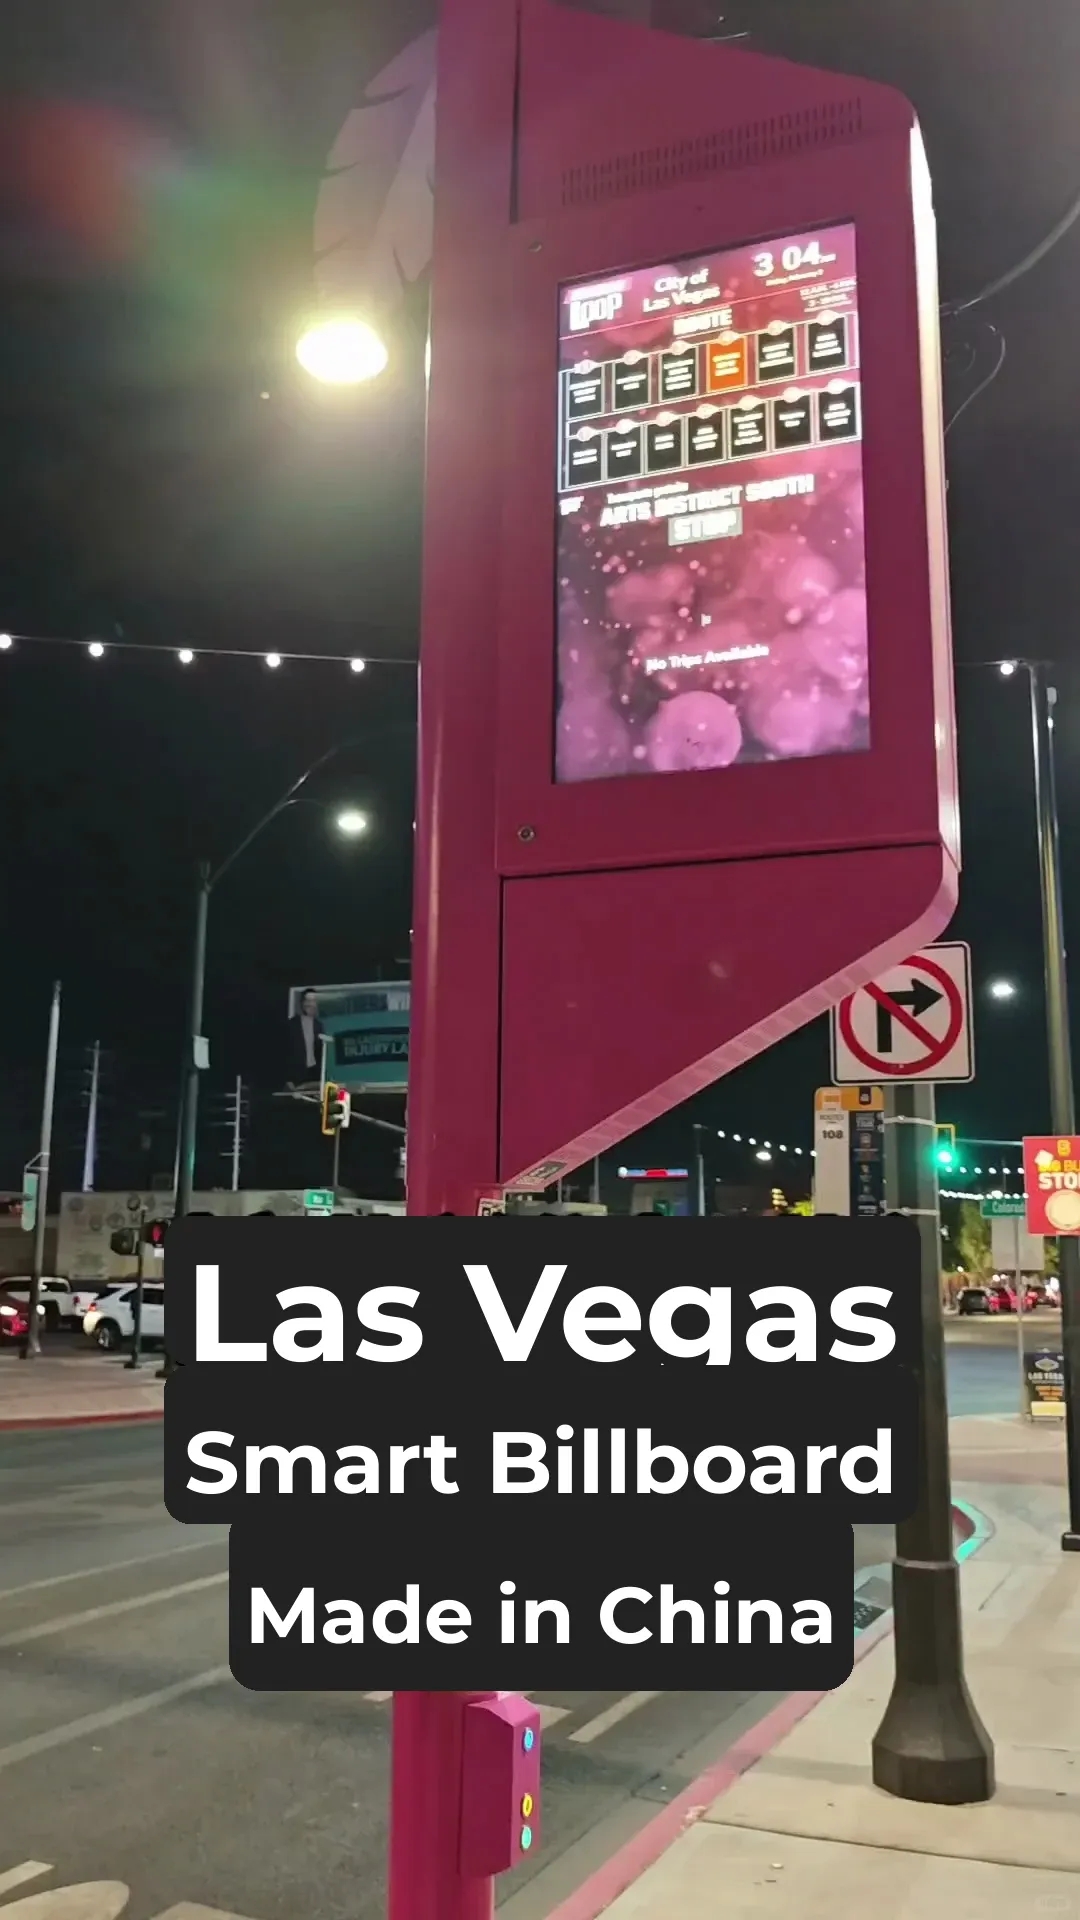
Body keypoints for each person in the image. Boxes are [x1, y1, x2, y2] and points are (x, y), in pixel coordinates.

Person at [286, 988, 324, 1087]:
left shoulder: (318, 1025)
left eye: (313, 1001)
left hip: (315, 1074)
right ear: (302, 1002)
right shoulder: (291, 1025)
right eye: (307, 1000)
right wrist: (288, 1079)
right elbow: (285, 1054)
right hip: (297, 1076)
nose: (310, 1004)